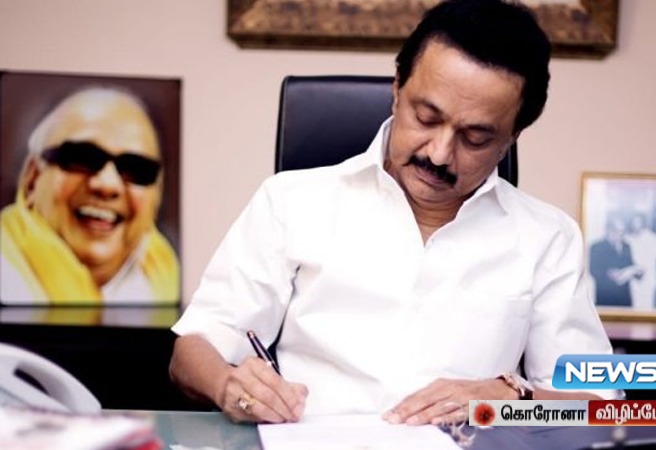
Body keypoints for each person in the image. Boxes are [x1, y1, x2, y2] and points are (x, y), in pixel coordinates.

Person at [170, 0, 619, 425]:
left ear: (513, 136)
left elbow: (598, 406)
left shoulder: (549, 238)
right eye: (426, 117)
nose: (439, 154)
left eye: (475, 138)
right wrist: (228, 385)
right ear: (397, 88)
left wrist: (513, 402)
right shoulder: (291, 202)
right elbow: (193, 349)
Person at [0, 87, 179, 305]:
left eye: (136, 169)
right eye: (82, 158)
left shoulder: (169, 277)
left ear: (156, 198)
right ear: (32, 180)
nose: (107, 185)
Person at [589, 215, 640, 307]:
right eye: (616, 230)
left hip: (624, 299)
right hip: (605, 298)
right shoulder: (596, 247)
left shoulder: (626, 246)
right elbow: (593, 270)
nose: (620, 234)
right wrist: (609, 274)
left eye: (622, 231)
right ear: (608, 230)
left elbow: (631, 265)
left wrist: (637, 271)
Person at [625, 213, 656, 310]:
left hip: (649, 278)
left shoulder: (653, 238)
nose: (636, 225)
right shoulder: (627, 239)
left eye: (638, 222)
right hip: (633, 279)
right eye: (634, 222)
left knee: (648, 306)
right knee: (635, 305)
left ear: (643, 223)